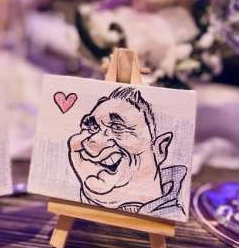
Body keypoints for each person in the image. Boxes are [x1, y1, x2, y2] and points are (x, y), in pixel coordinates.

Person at [68, 86, 186, 218]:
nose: (94, 139)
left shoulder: (172, 215)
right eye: (92, 128)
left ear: (159, 149)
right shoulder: (70, 202)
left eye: (118, 127)